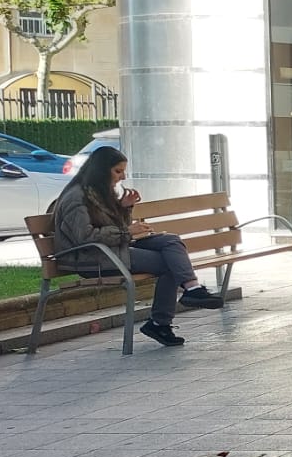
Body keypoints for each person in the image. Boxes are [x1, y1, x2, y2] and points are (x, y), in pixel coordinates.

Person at [48, 148, 224, 348]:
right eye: (117, 171)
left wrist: (124, 207)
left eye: (123, 171)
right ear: (100, 170)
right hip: (92, 258)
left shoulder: (99, 192)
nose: (122, 176)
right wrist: (128, 233)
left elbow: (115, 227)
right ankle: (161, 322)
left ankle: (192, 289)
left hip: (113, 248)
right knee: (169, 264)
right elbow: (85, 237)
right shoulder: (76, 197)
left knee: (171, 241)